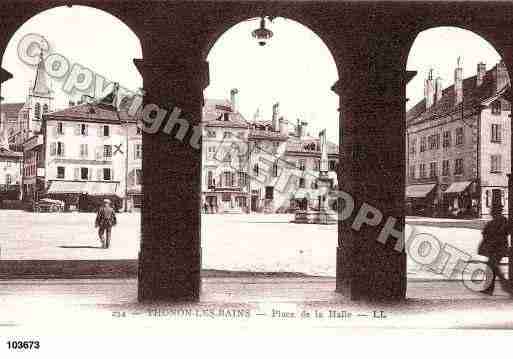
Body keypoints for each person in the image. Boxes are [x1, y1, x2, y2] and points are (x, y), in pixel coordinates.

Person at [478, 204, 512, 295]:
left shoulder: (501, 221)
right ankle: (495, 287)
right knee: (492, 267)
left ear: (496, 211)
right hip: (495, 248)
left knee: (492, 267)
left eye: (492, 210)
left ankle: (505, 286)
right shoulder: (499, 221)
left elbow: (499, 233)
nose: (491, 212)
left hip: (498, 248)